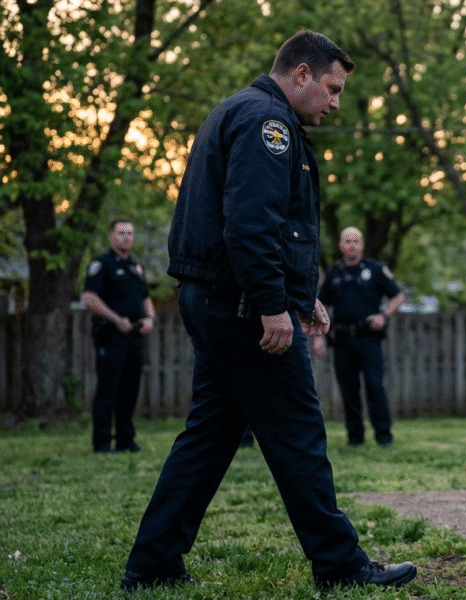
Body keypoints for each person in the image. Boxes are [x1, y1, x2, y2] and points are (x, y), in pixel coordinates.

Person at [119, 30, 416, 591]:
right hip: (242, 308)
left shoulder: (238, 110)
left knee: (208, 438)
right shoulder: (268, 123)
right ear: (301, 74)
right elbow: (251, 226)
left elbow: (264, 229)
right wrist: (273, 306)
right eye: (332, 89)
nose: (335, 104)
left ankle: (152, 565)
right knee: (298, 433)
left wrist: (303, 298)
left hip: (215, 299)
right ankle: (341, 566)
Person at [317, 227, 404, 448]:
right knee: (349, 389)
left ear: (362, 244)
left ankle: (383, 436)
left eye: (356, 241)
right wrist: (319, 336)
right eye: (347, 241)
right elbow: (319, 304)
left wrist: (384, 315)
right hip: (343, 340)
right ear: (340, 245)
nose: (352, 245)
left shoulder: (375, 269)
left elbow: (397, 296)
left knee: (375, 386)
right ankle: (355, 437)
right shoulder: (333, 274)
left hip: (369, 339)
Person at [82, 219, 155, 454]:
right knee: (108, 390)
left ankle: (125, 440)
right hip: (111, 336)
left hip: (134, 336)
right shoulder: (102, 265)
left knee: (130, 391)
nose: (126, 237)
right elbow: (89, 298)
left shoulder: (136, 267)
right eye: (122, 233)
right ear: (111, 237)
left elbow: (145, 297)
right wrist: (116, 319)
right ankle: (102, 442)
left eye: (130, 233)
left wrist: (150, 319)